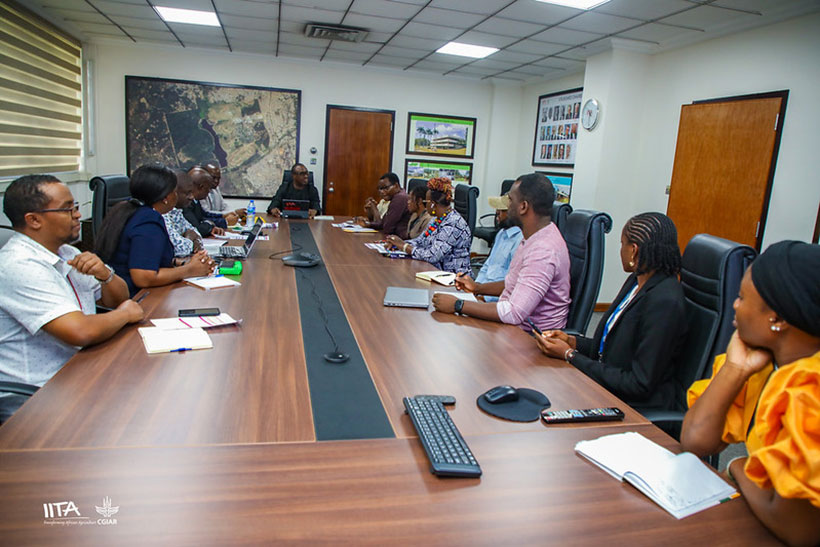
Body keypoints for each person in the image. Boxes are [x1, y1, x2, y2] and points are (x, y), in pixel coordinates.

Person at [680, 241, 820, 547]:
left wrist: (737, 466)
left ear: (778, 320)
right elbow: (696, 440)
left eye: (742, 297)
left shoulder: (812, 388)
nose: (734, 305)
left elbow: (799, 529)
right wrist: (734, 369)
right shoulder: (766, 365)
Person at [0, 174, 144, 421]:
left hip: (80, 372)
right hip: (39, 396)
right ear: (34, 220)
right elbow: (80, 331)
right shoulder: (18, 265)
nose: (78, 215)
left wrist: (105, 275)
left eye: (75, 207)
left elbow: (117, 299)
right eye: (67, 209)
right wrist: (125, 314)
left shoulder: (66, 252)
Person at [534, 212, 687, 411]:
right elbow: (612, 349)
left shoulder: (664, 302)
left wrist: (570, 355)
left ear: (634, 251)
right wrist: (571, 341)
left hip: (631, 407)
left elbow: (638, 384)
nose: (620, 250)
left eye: (622, 244)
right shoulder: (636, 282)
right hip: (606, 388)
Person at [431, 173, 570, 332]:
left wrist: (458, 304)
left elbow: (513, 313)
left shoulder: (543, 250)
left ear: (523, 207)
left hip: (531, 336)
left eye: (510, 200)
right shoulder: (533, 237)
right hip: (514, 327)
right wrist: (477, 288)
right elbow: (515, 283)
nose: (505, 205)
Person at [95, 164, 215, 296]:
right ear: (165, 197)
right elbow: (143, 277)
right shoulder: (148, 220)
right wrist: (190, 270)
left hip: (116, 292)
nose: (176, 196)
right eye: (174, 192)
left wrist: (177, 263)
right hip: (136, 297)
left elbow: (137, 255)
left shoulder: (127, 208)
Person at [383, 177, 470, 274]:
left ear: (433, 204)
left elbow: (432, 256)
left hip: (453, 277)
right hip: (434, 271)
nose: (424, 206)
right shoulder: (437, 219)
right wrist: (397, 244)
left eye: (426, 202)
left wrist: (404, 246)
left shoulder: (453, 223)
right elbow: (420, 241)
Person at [474, 193, 523, 303]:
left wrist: (484, 297)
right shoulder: (501, 233)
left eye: (501, 211)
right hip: (482, 292)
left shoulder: (520, 240)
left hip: (497, 301)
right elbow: (487, 265)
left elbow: (510, 285)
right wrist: (476, 288)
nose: (497, 214)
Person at [354, 173, 411, 238]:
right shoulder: (396, 197)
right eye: (379, 189)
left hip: (400, 239)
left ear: (396, 186)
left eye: (385, 188)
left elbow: (387, 227)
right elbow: (383, 223)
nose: (382, 192)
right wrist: (368, 224)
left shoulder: (400, 198)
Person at [163, 169, 202, 257]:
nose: (192, 197)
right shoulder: (162, 213)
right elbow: (180, 249)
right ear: (172, 193)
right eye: (188, 193)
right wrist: (190, 237)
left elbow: (196, 232)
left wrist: (196, 240)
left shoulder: (176, 211)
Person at [183, 167, 232, 237]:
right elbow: (198, 229)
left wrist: (212, 226)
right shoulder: (186, 203)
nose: (209, 192)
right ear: (201, 187)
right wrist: (210, 224)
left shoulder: (196, 201)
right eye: (208, 188)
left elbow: (203, 216)